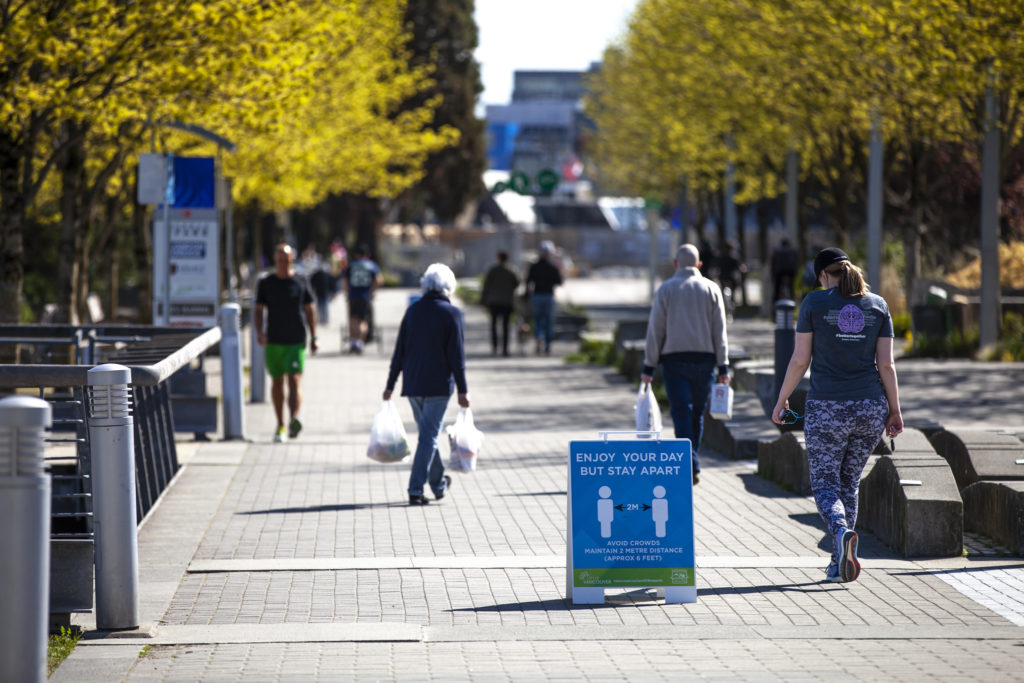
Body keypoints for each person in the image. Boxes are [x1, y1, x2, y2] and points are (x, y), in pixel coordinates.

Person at [771, 247, 904, 584]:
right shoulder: (878, 305)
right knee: (849, 483)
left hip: (827, 407)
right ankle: (839, 563)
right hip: (870, 408)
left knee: (827, 485)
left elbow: (800, 361)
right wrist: (895, 410)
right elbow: (886, 364)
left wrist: (782, 399)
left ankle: (841, 532)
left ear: (821, 275)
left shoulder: (814, 303)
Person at [641, 244, 730, 486]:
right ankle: (692, 461)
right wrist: (723, 366)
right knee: (697, 416)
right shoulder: (712, 289)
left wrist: (648, 367)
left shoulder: (666, 290)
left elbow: (655, 331)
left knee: (681, 412)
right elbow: (719, 331)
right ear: (699, 265)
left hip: (674, 361)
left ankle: (688, 464)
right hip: (705, 361)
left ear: (675, 263)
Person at [383, 263, 469, 506]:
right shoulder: (452, 314)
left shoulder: (413, 311)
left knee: (426, 436)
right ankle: (415, 488)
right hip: (438, 386)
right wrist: (463, 390)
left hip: (413, 383)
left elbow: (399, 351)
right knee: (428, 437)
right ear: (448, 287)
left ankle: (439, 484)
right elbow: (457, 357)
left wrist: (390, 384)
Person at [255, 243, 318, 442]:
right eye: (279, 259)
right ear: (275, 260)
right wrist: (260, 332)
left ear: (292, 260)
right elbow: (258, 310)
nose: (283, 262)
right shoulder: (266, 283)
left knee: (294, 380)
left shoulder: (300, 281)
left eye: (286, 259)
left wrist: (314, 336)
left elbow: (310, 309)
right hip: (274, 340)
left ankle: (293, 419)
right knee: (277, 382)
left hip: (296, 340)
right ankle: (280, 424)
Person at [480, 250, 520, 357]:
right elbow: (517, 283)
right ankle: (505, 349)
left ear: (498, 258)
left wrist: (483, 301)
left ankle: (494, 347)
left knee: (493, 325)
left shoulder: (493, 270)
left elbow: (486, 285)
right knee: (506, 326)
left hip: (494, 301)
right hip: (507, 302)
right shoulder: (512, 270)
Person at [526, 241, 563, 355]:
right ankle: (547, 346)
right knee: (548, 322)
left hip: (537, 296)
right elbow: (559, 282)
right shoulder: (553, 267)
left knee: (537, 320)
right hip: (549, 295)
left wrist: (527, 294)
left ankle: (538, 336)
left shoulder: (534, 266)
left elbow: (528, 281)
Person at [342, 244, 380, 354]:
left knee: (352, 318)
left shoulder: (351, 265)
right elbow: (378, 280)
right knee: (363, 320)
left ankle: (353, 341)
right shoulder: (371, 265)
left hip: (353, 295)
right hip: (365, 296)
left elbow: (344, 280)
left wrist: (347, 292)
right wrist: (372, 291)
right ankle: (360, 342)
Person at [771, 238, 799, 302]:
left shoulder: (776, 251)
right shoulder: (793, 250)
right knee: (791, 288)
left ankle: (775, 304)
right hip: (791, 272)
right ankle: (793, 299)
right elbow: (796, 262)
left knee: (777, 290)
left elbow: (773, 264)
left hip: (779, 272)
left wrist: (773, 275)